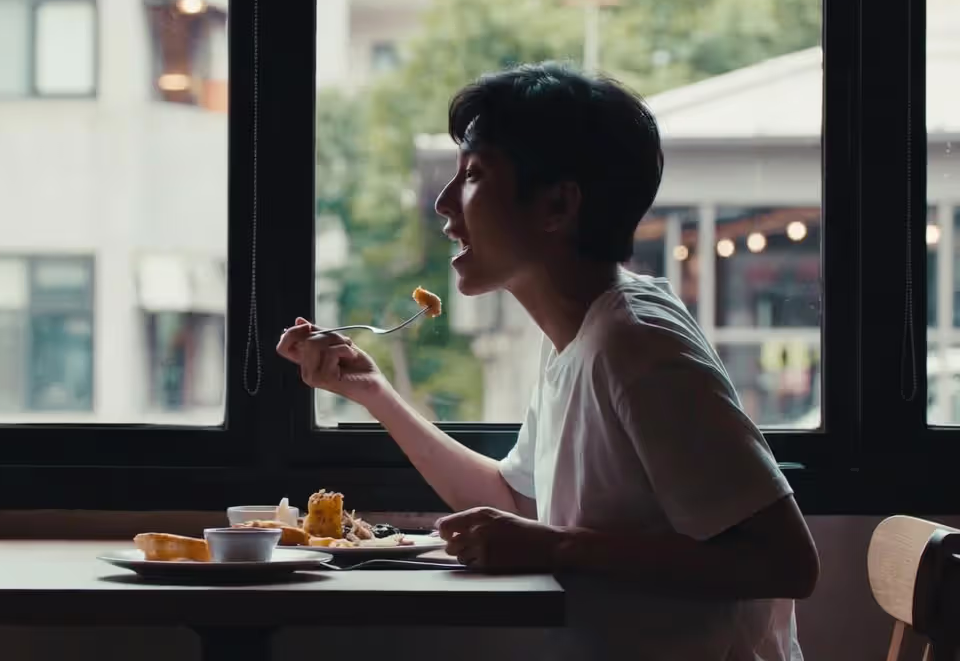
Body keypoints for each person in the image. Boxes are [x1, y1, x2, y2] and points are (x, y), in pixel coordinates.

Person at [276, 62, 819, 660]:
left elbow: (787, 563)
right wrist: (375, 393)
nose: (443, 202)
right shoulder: (576, 336)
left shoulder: (637, 344)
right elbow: (517, 507)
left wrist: (557, 548)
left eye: (474, 174)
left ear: (557, 205)